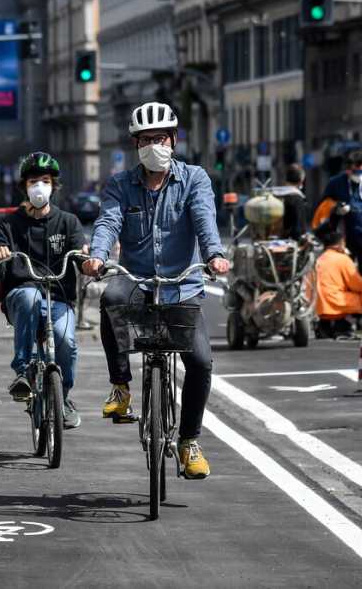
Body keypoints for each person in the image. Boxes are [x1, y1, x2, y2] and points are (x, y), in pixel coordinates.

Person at [81, 100, 230, 480]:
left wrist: (214, 255)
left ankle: (189, 441)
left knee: (200, 362)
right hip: (136, 280)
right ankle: (120, 387)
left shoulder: (194, 178)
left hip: (183, 285)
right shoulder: (120, 185)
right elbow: (108, 222)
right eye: (146, 140)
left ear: (173, 140)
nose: (153, 146)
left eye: (160, 138)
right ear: (136, 144)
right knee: (111, 299)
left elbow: (204, 219)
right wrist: (97, 256)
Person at [0, 151, 87, 430]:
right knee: (29, 296)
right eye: (33, 181)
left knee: (66, 340)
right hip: (22, 296)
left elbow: (81, 257)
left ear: (54, 185)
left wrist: (89, 262)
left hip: (59, 298)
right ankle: (22, 371)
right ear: (25, 186)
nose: (39, 186)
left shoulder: (68, 222)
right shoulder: (8, 225)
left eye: (45, 180)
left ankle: (63, 398)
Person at [321, 150, 362, 278]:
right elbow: (323, 207)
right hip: (343, 238)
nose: (355, 171)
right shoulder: (336, 183)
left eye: (358, 168)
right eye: (352, 168)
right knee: (343, 275)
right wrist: (336, 209)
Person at [312, 229, 362, 339]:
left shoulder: (318, 259)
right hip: (335, 303)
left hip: (317, 306)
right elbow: (358, 285)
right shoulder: (343, 259)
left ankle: (325, 326)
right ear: (340, 244)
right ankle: (343, 325)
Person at [273, 163, 309, 240]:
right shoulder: (297, 198)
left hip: (274, 238)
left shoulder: (276, 195)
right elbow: (298, 227)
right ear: (301, 181)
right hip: (290, 242)